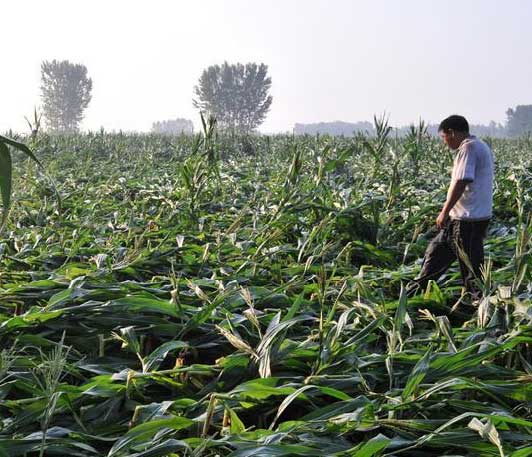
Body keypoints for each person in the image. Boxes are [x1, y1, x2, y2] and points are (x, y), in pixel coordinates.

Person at [407, 115, 494, 299]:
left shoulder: (469, 148)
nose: (444, 142)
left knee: (471, 271)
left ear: (451, 133)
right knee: (435, 251)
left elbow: (462, 181)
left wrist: (444, 211)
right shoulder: (478, 145)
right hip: (461, 220)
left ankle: (481, 309)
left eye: (443, 137)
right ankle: (411, 293)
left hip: (468, 221)